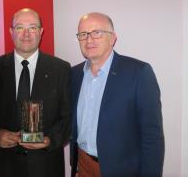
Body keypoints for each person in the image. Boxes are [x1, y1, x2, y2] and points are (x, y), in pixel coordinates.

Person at [70, 12, 165, 177]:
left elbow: (152, 136)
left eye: (97, 32)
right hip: (82, 165)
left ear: (113, 38)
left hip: (121, 170)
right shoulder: (74, 74)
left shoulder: (139, 73)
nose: (89, 39)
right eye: (83, 34)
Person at [0, 8, 71, 177]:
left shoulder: (61, 69)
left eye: (32, 27)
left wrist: (49, 139)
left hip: (46, 165)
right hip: (4, 166)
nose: (26, 34)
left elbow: (67, 118)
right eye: (19, 27)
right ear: (11, 32)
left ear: (41, 31)